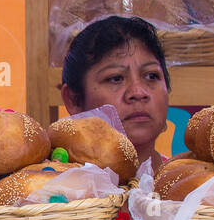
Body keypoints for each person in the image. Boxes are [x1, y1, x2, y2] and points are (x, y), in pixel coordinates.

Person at [60, 15, 172, 172]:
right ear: (74, 100)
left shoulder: (198, 187)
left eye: (151, 76)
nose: (139, 92)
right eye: (116, 78)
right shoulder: (50, 188)